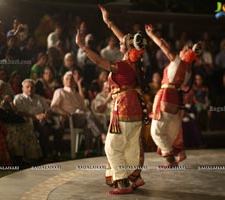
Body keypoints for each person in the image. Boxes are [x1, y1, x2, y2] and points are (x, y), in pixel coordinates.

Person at [76, 4, 148, 194]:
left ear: (127, 48)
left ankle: (123, 183)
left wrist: (83, 46)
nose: (119, 42)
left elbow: (99, 61)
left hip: (123, 107)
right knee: (131, 146)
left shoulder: (123, 65)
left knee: (112, 146)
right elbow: (124, 39)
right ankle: (135, 177)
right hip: (136, 109)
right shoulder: (135, 63)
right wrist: (108, 22)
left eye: (122, 42)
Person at [145, 23, 200, 167]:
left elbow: (164, 47)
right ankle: (179, 152)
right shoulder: (189, 71)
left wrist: (151, 35)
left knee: (156, 131)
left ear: (185, 55)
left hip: (167, 97)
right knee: (172, 130)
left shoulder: (178, 62)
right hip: (177, 101)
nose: (181, 50)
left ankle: (170, 160)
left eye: (184, 50)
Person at [50, 71, 106, 156]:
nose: (69, 81)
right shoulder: (60, 91)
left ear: (74, 82)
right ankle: (102, 134)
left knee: (88, 123)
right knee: (88, 115)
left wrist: (90, 113)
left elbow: (84, 108)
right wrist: (64, 113)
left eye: (71, 79)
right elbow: (53, 107)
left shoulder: (77, 95)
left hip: (81, 117)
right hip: (68, 118)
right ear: (63, 81)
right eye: (67, 79)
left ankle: (88, 150)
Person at [0, 80, 41, 164]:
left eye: (3, 89)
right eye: (0, 89)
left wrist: (10, 102)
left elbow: (15, 111)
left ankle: (28, 154)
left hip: (8, 120)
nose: (2, 91)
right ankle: (16, 154)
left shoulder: (3, 99)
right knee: (14, 130)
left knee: (26, 126)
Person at [13, 79, 63, 159]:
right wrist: (35, 116)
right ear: (22, 89)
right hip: (29, 121)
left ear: (35, 89)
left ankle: (55, 152)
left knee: (59, 129)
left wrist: (46, 114)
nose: (30, 89)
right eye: (27, 87)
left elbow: (48, 109)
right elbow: (19, 112)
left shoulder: (39, 98)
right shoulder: (19, 98)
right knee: (44, 130)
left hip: (43, 119)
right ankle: (44, 154)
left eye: (32, 87)